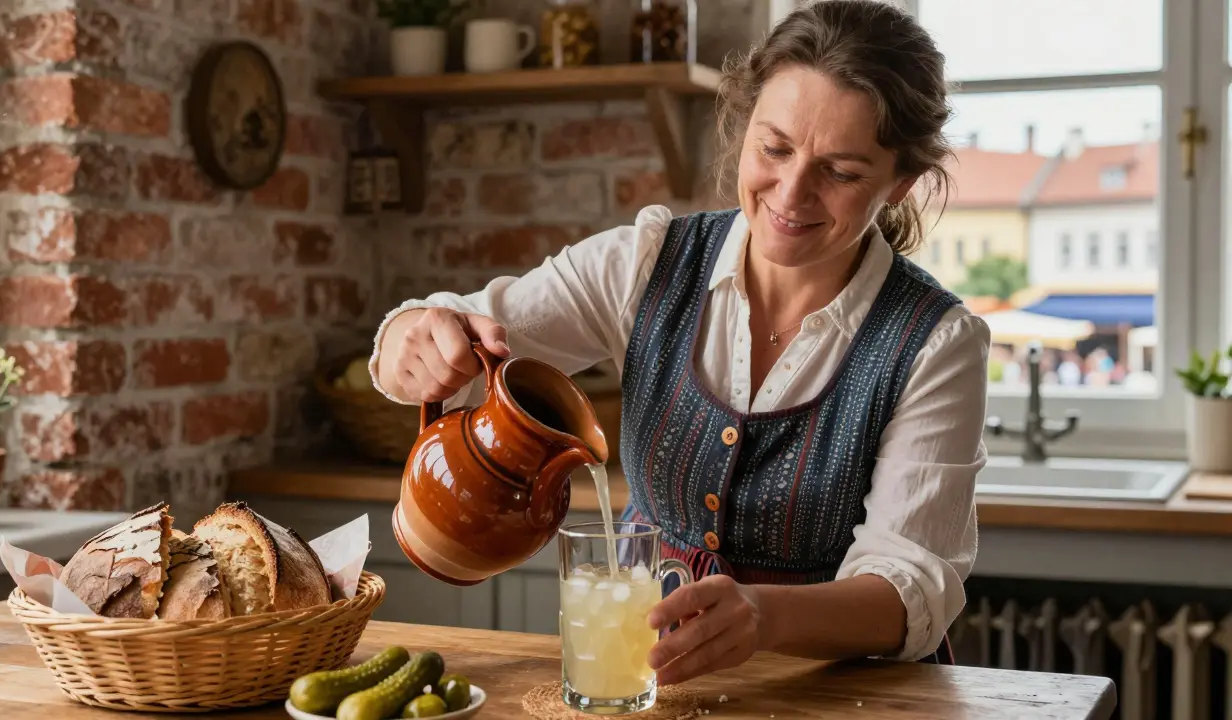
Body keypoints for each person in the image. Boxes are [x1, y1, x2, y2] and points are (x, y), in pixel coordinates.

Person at [371, 0, 988, 687]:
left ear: (900, 183)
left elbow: (910, 589)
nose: (791, 193)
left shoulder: (937, 342)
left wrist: (765, 615)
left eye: (840, 172)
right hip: (648, 681)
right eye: (774, 148)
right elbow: (464, 334)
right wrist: (410, 339)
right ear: (745, 127)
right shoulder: (646, 263)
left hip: (840, 695)